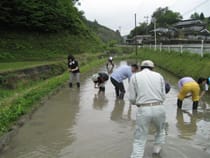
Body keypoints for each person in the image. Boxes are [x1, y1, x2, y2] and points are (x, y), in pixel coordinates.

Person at [128, 60, 167, 158]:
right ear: (153, 68)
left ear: (140, 68)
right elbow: (163, 96)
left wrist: (137, 102)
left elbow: (132, 98)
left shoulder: (135, 77)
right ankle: (156, 152)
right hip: (159, 107)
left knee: (140, 138)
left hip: (143, 108)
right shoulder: (159, 76)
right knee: (160, 130)